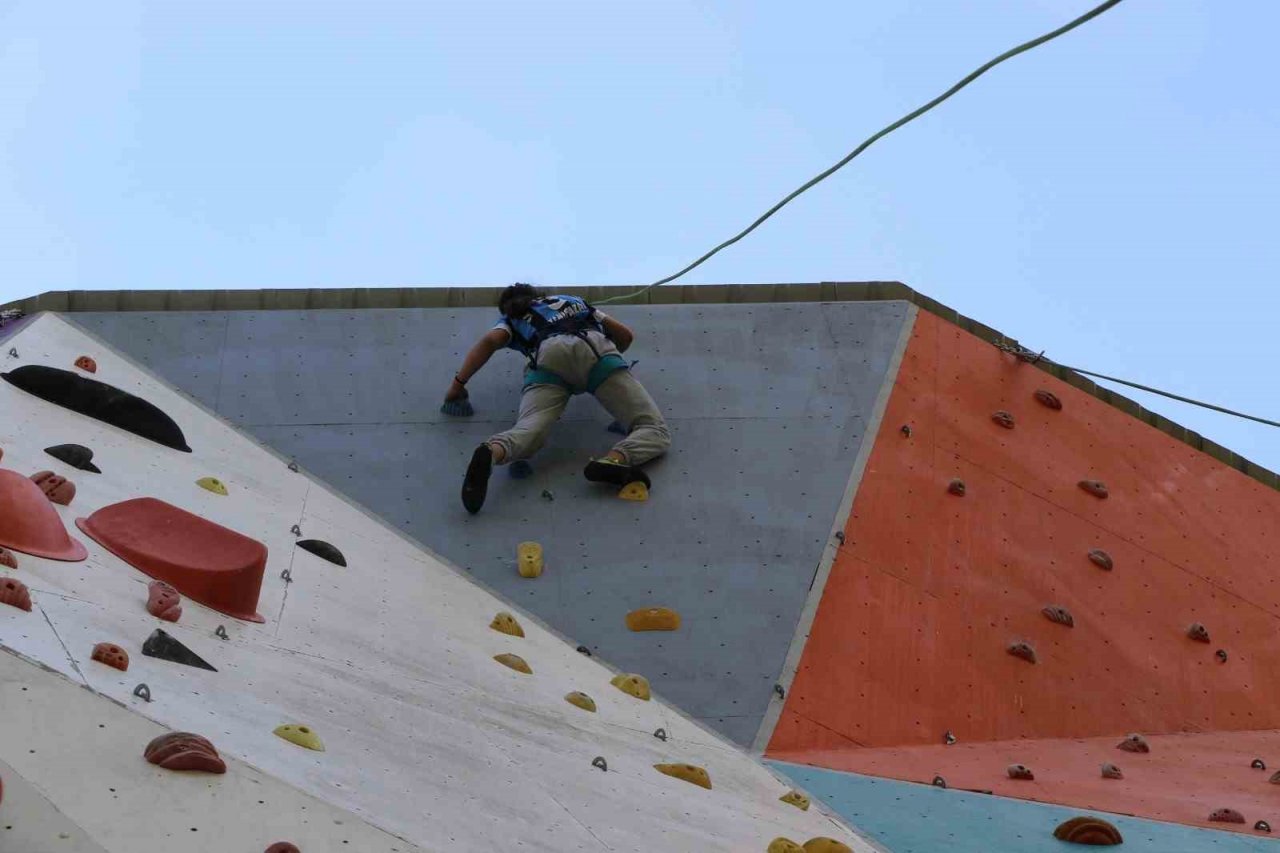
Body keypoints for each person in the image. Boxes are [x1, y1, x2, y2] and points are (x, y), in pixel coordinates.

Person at [444, 283, 671, 514]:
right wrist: (607, 368)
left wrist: (457, 386)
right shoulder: (571, 300)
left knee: (529, 430)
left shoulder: (512, 316)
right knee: (652, 428)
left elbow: (490, 341)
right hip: (593, 348)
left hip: (547, 360)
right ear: (536, 294)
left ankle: (492, 450)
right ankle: (614, 459)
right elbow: (625, 335)